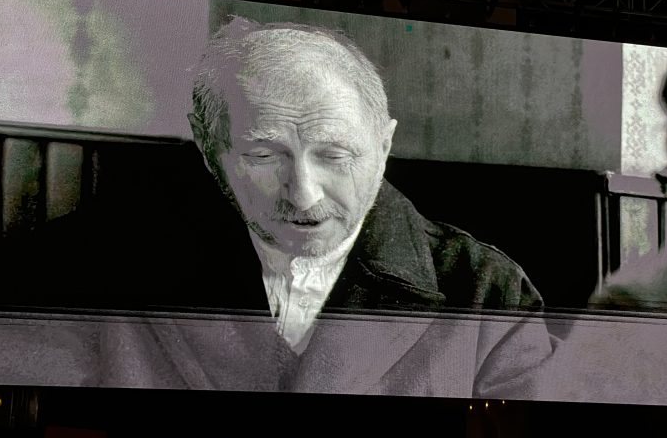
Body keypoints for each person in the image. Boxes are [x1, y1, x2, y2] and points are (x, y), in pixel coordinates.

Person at [186, 17, 544, 351]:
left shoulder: (491, 293)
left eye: (335, 156)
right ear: (208, 147)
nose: (304, 196)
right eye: (264, 156)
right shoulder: (153, 263)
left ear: (384, 147)